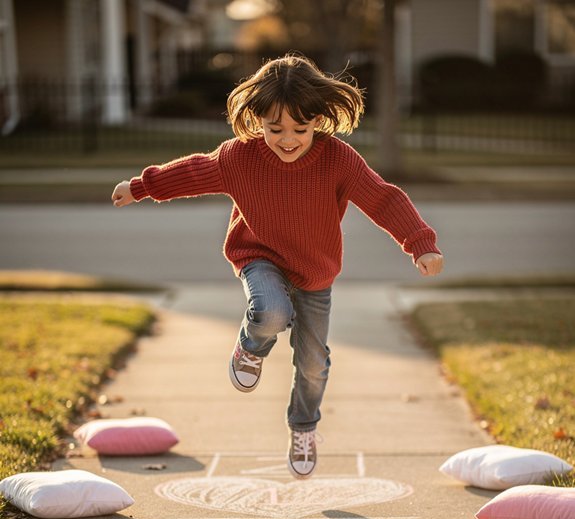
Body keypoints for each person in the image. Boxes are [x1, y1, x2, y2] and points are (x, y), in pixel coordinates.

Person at [112, 53, 443, 479]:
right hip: (260, 256)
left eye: (300, 130)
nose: (288, 139)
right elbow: (194, 172)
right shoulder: (239, 158)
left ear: (318, 121)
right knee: (271, 313)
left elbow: (382, 197)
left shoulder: (338, 159)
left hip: (316, 271)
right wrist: (140, 187)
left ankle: (303, 428)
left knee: (313, 363)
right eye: (275, 129)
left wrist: (420, 243)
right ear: (258, 120)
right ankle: (250, 349)